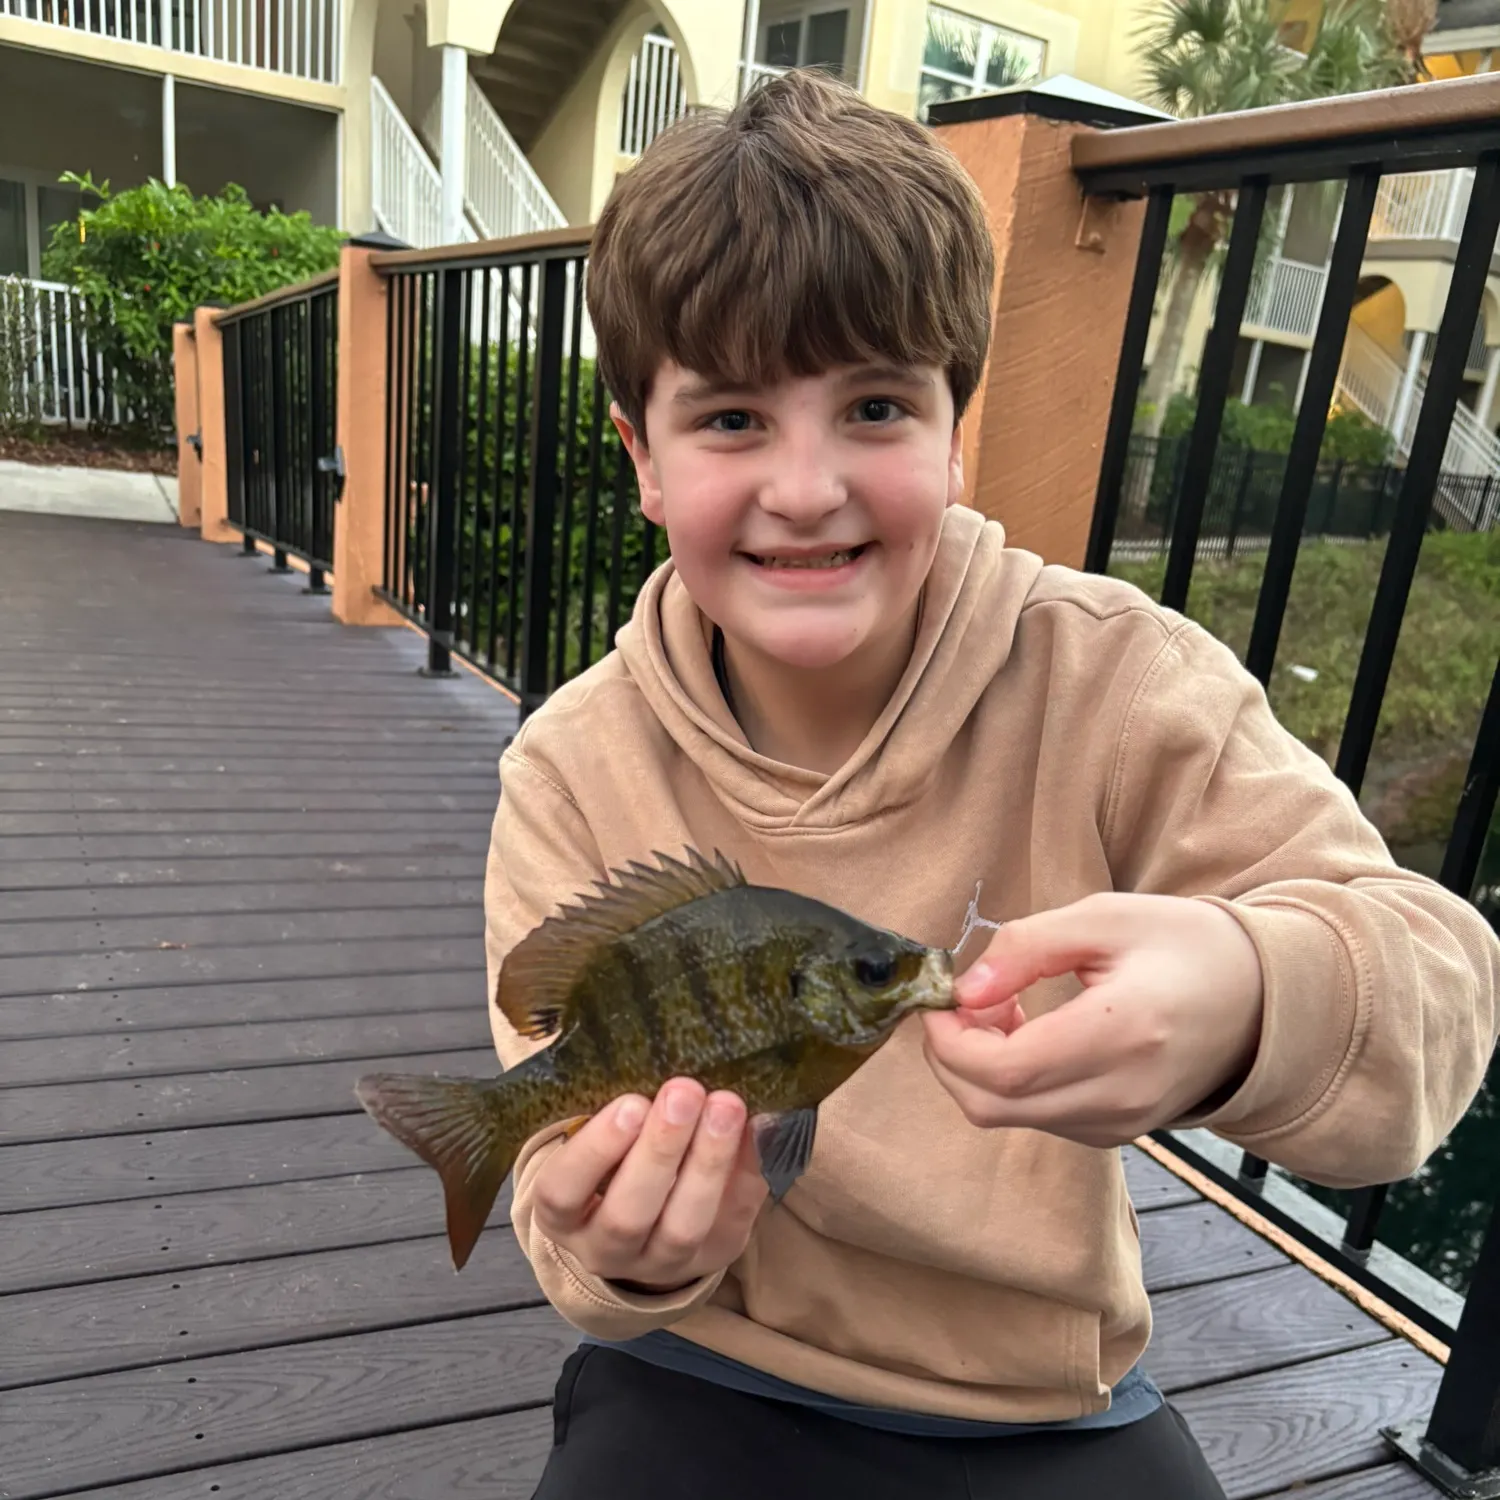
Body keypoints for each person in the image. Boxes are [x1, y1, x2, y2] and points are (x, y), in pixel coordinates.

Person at [482, 69, 1500, 1500]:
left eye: (877, 406)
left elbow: (1437, 981)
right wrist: (618, 1249)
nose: (805, 486)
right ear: (638, 456)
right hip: (703, 1356)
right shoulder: (571, 769)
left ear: (962, 429)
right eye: (729, 422)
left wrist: (1246, 994)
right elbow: (565, 1212)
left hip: (1042, 1403)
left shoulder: (1119, 683)